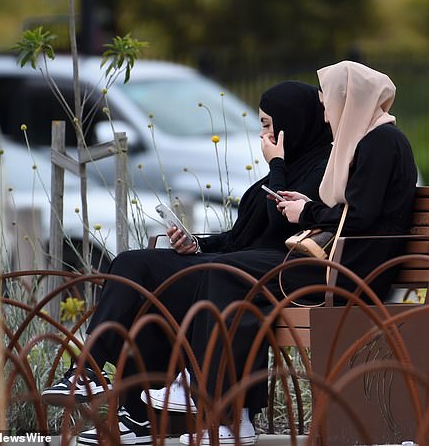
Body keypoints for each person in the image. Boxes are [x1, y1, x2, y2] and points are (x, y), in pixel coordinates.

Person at [40, 80, 332, 445]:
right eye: (261, 125)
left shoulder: (322, 169)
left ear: (294, 124)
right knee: (133, 265)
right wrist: (196, 243)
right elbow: (237, 239)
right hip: (234, 266)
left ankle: (151, 411)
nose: (264, 136)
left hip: (272, 276)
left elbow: (282, 225)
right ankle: (90, 373)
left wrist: (277, 166)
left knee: (188, 282)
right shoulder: (282, 172)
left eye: (268, 125)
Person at [164, 60, 417, 445]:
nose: (326, 113)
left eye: (328, 102)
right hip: (344, 260)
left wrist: (308, 212)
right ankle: (232, 416)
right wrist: (308, 205)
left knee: (228, 273)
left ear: (348, 102)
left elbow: (361, 217)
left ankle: (216, 402)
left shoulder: (382, 142)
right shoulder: (371, 139)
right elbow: (355, 210)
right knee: (236, 283)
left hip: (355, 268)